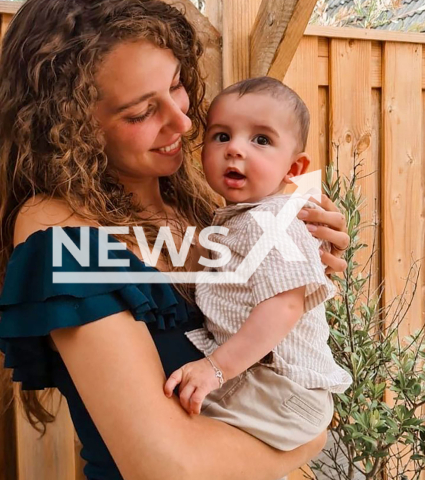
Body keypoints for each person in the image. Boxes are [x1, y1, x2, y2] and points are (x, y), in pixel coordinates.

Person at [0, 1, 350, 479]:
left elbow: (282, 323)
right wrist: (311, 436)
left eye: (175, 86)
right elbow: (171, 470)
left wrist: (303, 238)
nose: (185, 124)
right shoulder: (61, 234)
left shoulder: (193, 203)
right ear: (69, 129)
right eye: (143, 111)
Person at [163, 77, 353, 457]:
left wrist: (215, 368)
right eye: (221, 136)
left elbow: (285, 305)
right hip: (270, 387)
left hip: (278, 388)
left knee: (172, 428)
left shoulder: (271, 220)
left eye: (261, 140)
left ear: (293, 167)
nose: (235, 148)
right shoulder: (242, 218)